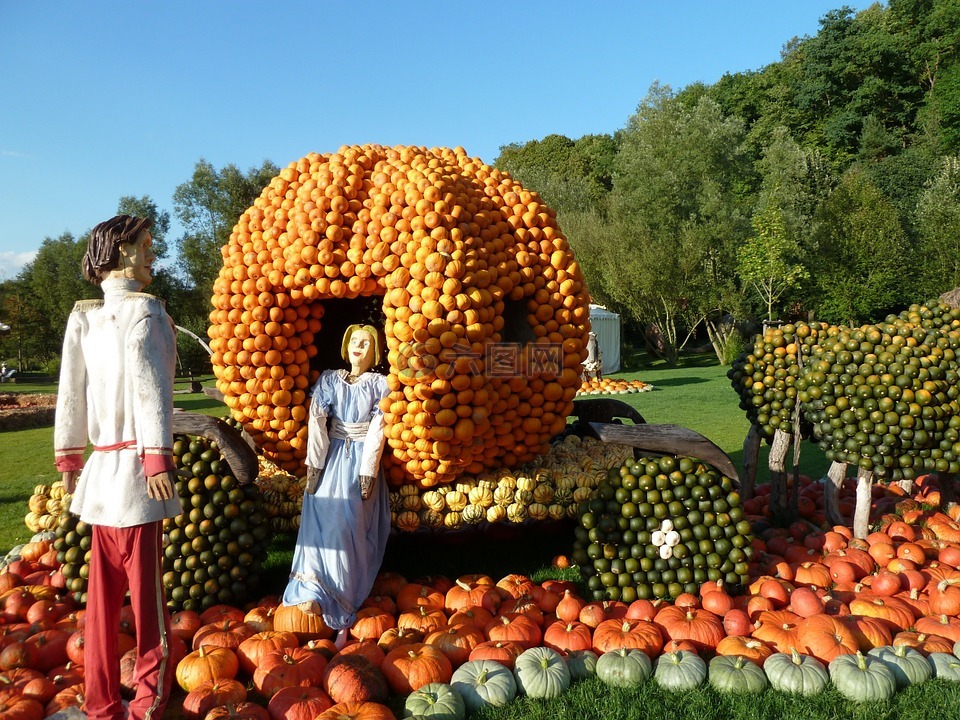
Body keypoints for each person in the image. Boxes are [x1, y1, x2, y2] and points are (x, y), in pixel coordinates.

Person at [54, 214, 182, 720]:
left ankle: (100, 704)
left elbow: (70, 393)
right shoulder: (145, 312)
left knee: (100, 610)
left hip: (99, 482)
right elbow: (153, 391)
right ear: (123, 251)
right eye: (147, 245)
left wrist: (69, 454)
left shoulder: (83, 317)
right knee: (149, 609)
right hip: (135, 480)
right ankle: (148, 703)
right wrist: (157, 457)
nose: (153, 254)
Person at [282, 323, 391, 648]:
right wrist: (314, 466)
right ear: (346, 346)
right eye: (355, 341)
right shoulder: (329, 379)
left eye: (367, 344)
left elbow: (378, 428)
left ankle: (343, 604)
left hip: (358, 462)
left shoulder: (379, 384)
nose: (359, 347)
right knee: (318, 524)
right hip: (329, 460)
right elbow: (317, 421)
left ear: (375, 352)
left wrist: (368, 472)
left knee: (346, 528)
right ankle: (312, 591)